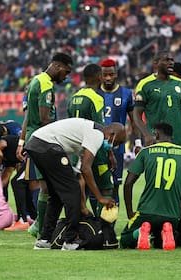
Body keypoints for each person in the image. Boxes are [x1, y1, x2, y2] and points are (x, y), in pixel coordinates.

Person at [26, 118, 125, 250]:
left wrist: (83, 207)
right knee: (72, 193)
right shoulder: (97, 134)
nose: (113, 146)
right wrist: (100, 198)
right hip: (47, 145)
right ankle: (70, 239)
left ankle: (45, 239)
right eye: (116, 142)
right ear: (112, 134)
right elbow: (86, 169)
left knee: (56, 195)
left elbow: (79, 176)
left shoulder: (86, 136)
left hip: (36, 144)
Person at [120, 122, 181, 250]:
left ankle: (142, 231)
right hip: (173, 215)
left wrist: (130, 212)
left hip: (146, 212)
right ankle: (166, 229)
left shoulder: (146, 152)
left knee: (125, 239)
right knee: (159, 242)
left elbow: (128, 183)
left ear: (156, 134)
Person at [15, 52, 73, 235]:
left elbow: (27, 117)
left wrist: (21, 141)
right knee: (49, 186)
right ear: (57, 66)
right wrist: (64, 134)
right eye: (66, 72)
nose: (67, 76)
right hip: (43, 140)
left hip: (34, 138)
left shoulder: (35, 80)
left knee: (46, 184)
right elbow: (44, 118)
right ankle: (40, 228)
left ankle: (39, 226)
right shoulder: (46, 85)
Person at [67, 63, 114, 216]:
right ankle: (104, 230)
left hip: (76, 151)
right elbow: (100, 128)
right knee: (106, 187)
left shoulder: (73, 98)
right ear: (98, 77)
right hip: (94, 152)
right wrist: (109, 152)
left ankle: (81, 228)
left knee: (82, 191)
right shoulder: (96, 98)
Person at [133, 52, 181, 155]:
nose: (170, 63)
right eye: (166, 60)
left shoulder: (179, 84)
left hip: (178, 142)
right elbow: (136, 115)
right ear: (156, 63)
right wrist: (146, 135)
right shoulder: (145, 85)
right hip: (156, 141)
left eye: (172, 60)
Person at [97, 58, 142, 204]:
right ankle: (98, 221)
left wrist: (137, 142)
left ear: (116, 74)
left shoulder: (126, 93)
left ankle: (111, 223)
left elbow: (134, 120)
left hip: (117, 148)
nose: (108, 78)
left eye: (111, 74)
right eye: (105, 75)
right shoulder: (94, 92)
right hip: (96, 147)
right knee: (97, 186)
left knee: (115, 185)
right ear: (100, 75)